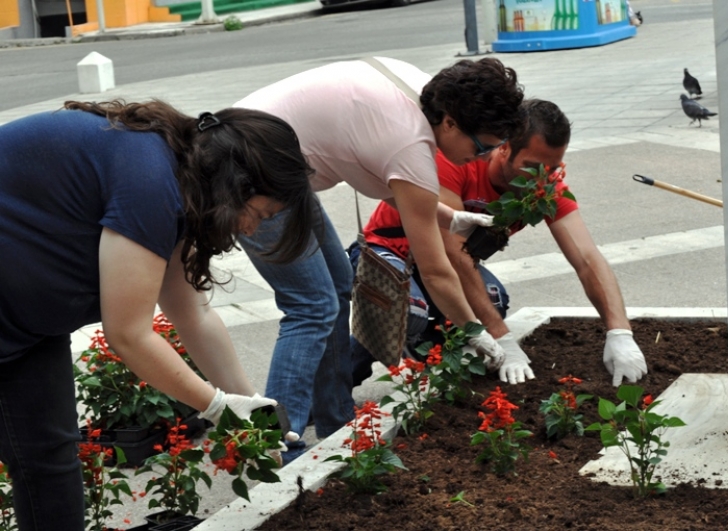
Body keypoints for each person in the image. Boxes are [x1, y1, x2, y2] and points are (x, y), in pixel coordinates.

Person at [0, 100, 314, 531]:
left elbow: (193, 316)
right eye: (258, 214)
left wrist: (253, 413)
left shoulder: (179, 180)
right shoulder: (150, 181)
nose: (251, 229)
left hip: (27, 323)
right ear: (233, 184)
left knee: (49, 458)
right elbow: (129, 334)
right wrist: (218, 406)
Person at [234, 56, 525, 463]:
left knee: (336, 287)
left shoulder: (425, 94)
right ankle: (278, 448)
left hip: (271, 162)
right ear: (451, 124)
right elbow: (437, 270)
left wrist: (448, 216)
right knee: (310, 306)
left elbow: (388, 175)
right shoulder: (411, 142)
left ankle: (337, 422)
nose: (480, 159)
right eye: (482, 147)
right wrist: (475, 331)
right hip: (244, 177)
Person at [351, 99, 648, 388]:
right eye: (532, 167)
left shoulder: (544, 188)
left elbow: (586, 258)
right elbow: (453, 255)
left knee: (493, 299)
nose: (541, 180)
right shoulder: (457, 163)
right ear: (504, 147)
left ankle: (439, 365)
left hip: (441, 268)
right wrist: (501, 337)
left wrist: (619, 332)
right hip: (387, 254)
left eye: (553, 169)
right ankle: (339, 375)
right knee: (406, 310)